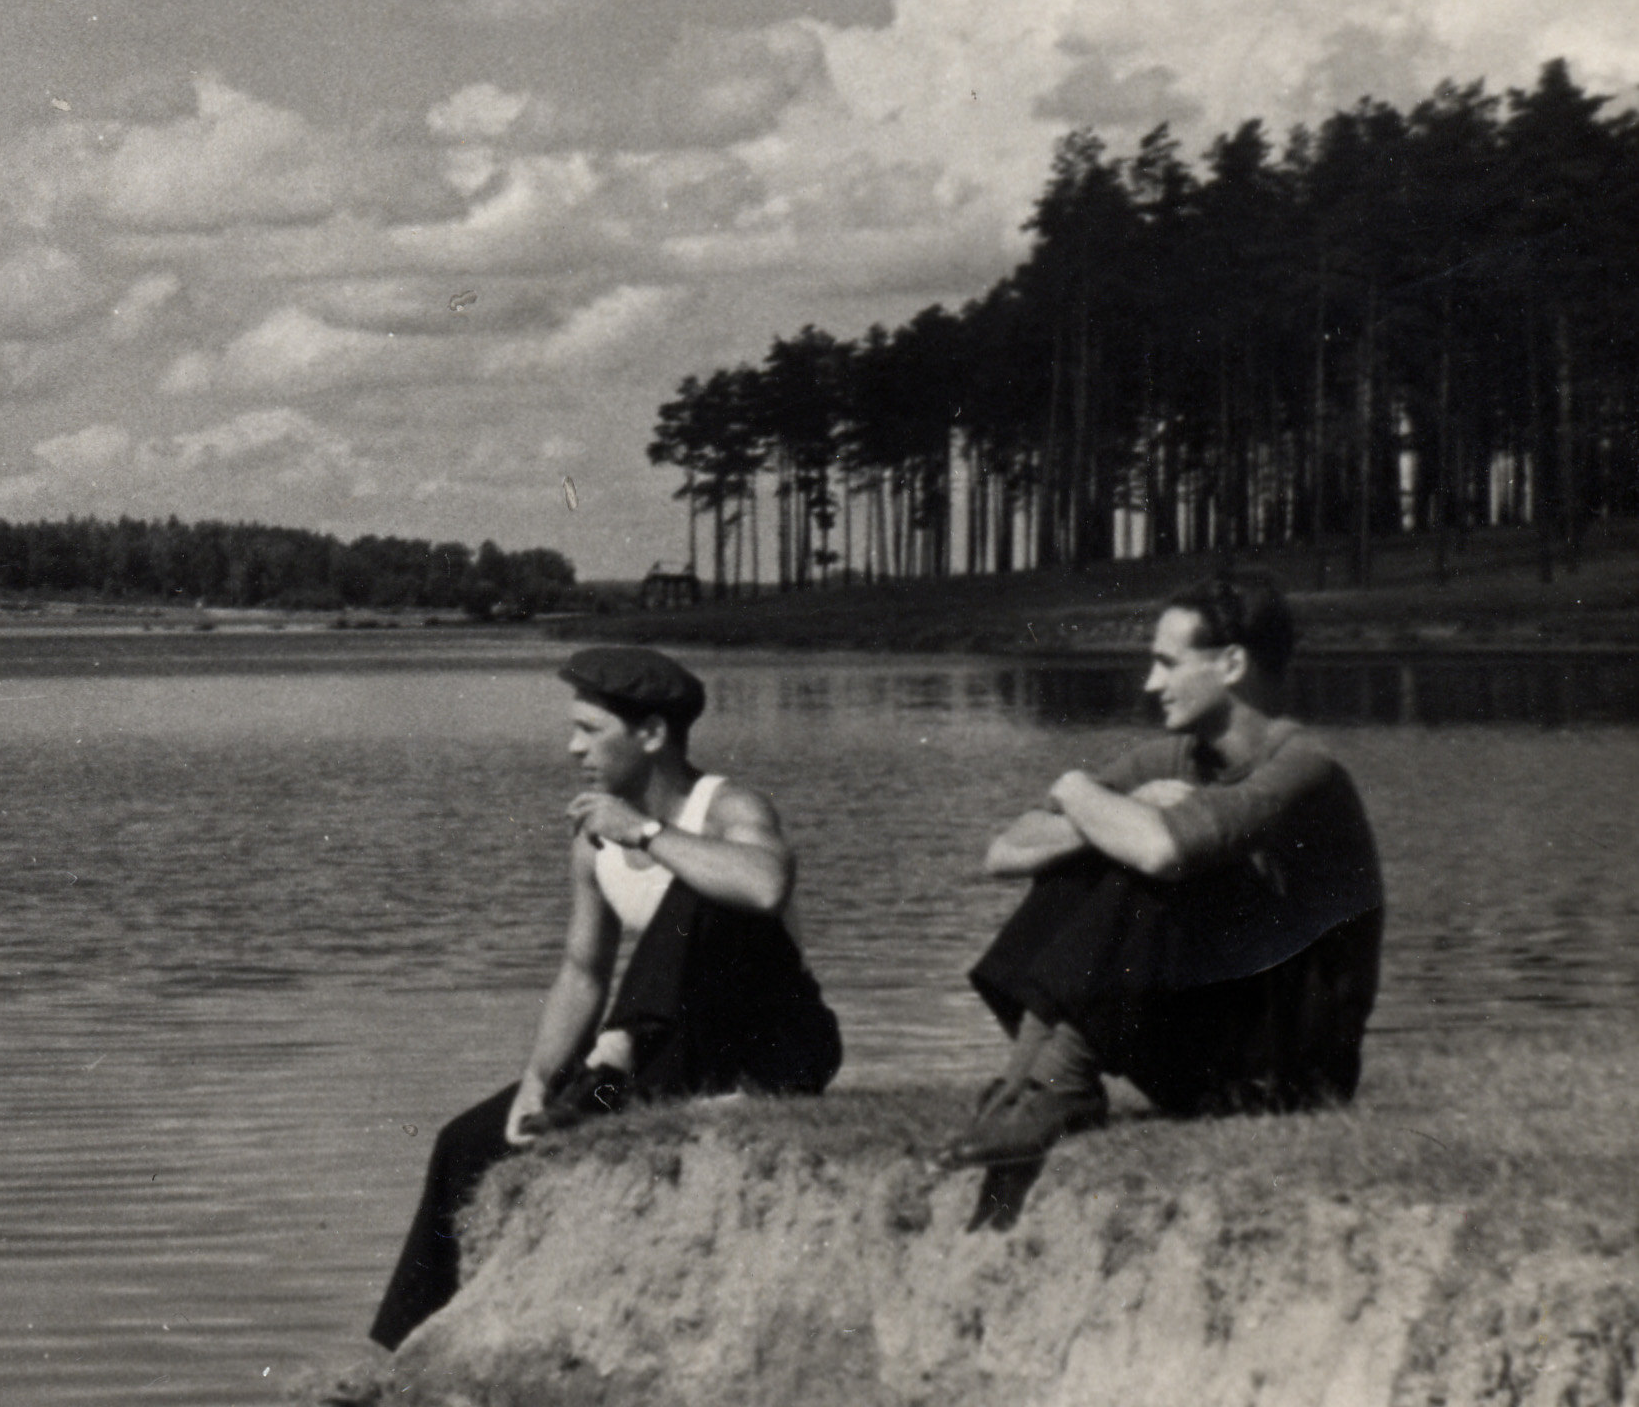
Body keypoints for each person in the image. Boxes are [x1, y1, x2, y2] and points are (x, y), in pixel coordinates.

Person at [364, 645, 841, 1349]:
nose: (571, 748)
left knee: (701, 884)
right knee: (466, 1142)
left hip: (770, 1042)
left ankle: (611, 1068)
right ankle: (400, 1357)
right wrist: (535, 1081)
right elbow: (582, 971)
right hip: (666, 1045)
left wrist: (647, 832)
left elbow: (766, 887)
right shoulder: (594, 838)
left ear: (649, 735)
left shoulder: (729, 807)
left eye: (590, 731)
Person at [938, 571, 1385, 1172]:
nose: (1152, 684)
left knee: (1155, 858)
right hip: (1213, 1051)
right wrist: (1097, 817)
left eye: (1167, 663)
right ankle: (1024, 1087)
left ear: (1230, 664)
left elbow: (1161, 854)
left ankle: (1059, 1084)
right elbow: (1004, 852)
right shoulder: (1176, 757)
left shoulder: (1304, 769)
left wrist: (1075, 790)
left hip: (1295, 1071)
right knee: (1089, 845)